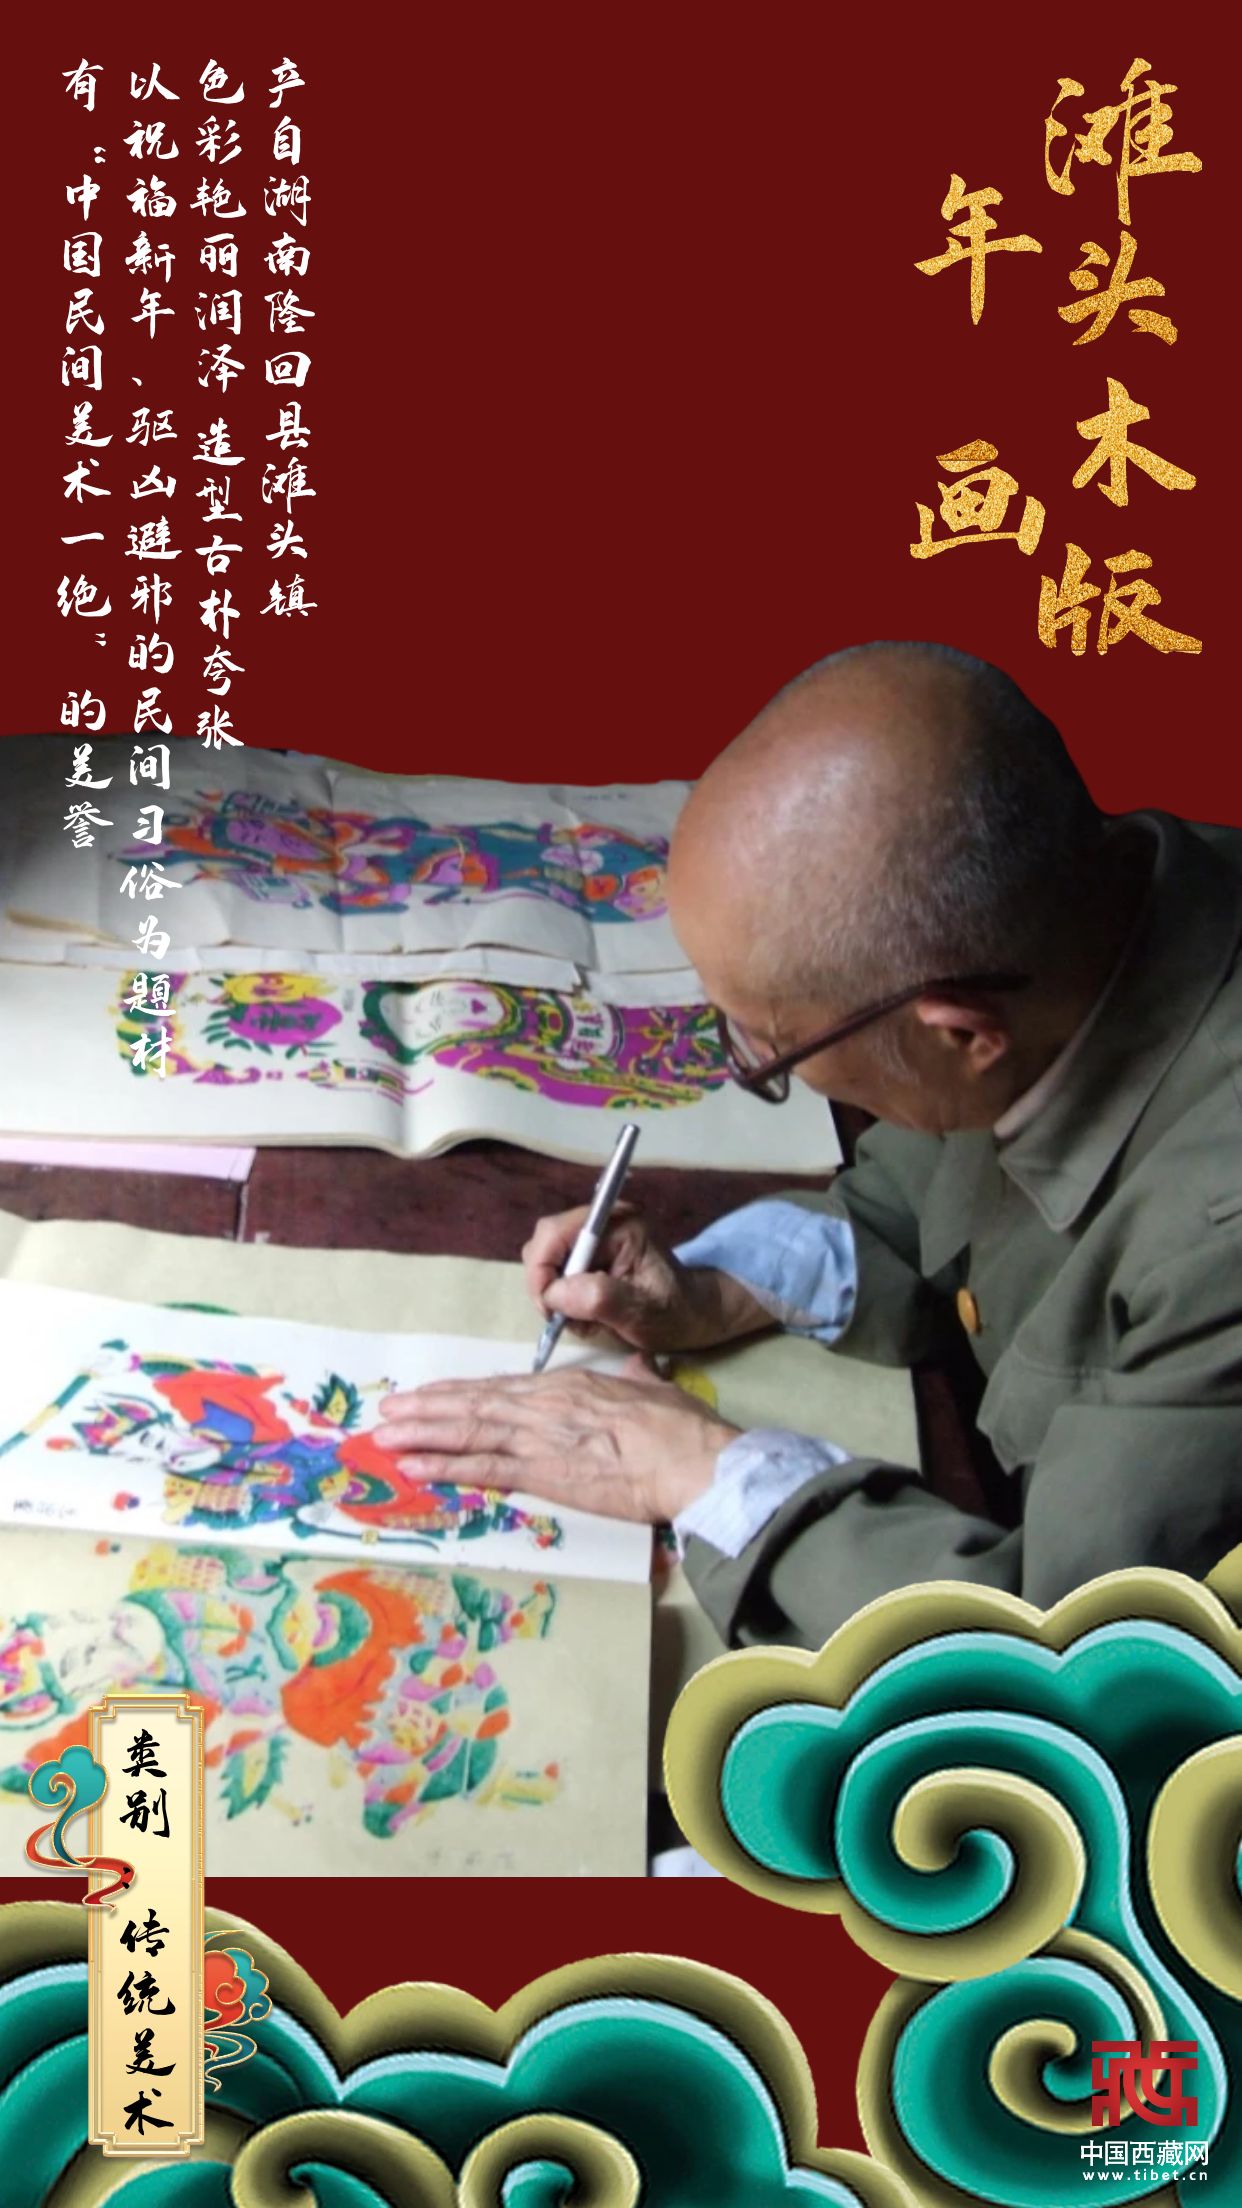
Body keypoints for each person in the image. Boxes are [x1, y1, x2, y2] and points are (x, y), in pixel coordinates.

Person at [375, 641, 1242, 1647]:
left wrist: (704, 1472)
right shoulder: (1078, 930)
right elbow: (936, 1193)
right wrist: (719, 1290)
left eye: (767, 1047)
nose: (744, 1061)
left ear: (961, 1033)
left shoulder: (1214, 1249)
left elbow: (1065, 1648)